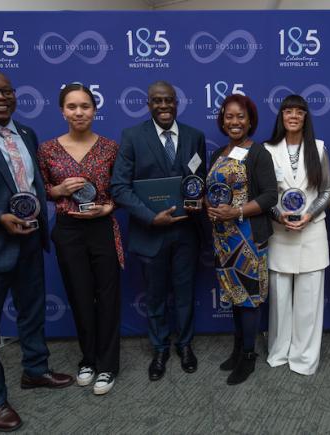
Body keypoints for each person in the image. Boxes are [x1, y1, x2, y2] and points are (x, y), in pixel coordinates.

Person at [0, 68, 73, 432]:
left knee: (32, 313)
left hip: (28, 242)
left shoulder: (26, 132)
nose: (2, 98)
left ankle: (35, 371)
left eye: (7, 91)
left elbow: (31, 185)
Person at [111, 80, 206, 381]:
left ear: (177, 102)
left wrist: (198, 200)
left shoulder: (194, 136)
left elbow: (199, 180)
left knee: (185, 294)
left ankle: (185, 345)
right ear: (148, 103)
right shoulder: (132, 137)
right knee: (154, 297)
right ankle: (160, 348)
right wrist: (151, 217)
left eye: (168, 100)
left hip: (186, 233)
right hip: (151, 231)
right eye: (157, 101)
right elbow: (119, 187)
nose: (163, 106)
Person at [37, 84, 122, 395]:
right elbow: (39, 188)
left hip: (102, 227)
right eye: (72, 106)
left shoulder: (111, 148)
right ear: (62, 110)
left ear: (94, 110)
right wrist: (58, 191)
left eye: (85, 106)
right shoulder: (47, 149)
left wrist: (109, 206)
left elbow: (121, 190)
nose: (79, 112)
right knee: (80, 295)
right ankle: (88, 359)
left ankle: (109, 365)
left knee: (108, 296)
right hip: (68, 229)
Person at [207, 94, 277, 385]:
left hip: (248, 238)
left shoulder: (259, 153)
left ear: (250, 121)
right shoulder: (218, 154)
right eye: (229, 116)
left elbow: (270, 196)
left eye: (240, 117)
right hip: (223, 240)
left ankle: (248, 356)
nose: (234, 122)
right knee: (235, 298)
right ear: (222, 120)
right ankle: (238, 350)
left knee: (249, 299)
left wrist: (235, 211)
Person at [263, 95, 330, 375]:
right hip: (280, 233)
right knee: (279, 300)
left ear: (305, 117)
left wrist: (308, 216)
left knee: (309, 301)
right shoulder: (266, 150)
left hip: (311, 231)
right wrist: (280, 216)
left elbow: (327, 191)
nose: (293, 116)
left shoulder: (319, 148)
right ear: (281, 116)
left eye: (299, 112)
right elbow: (264, 196)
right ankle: (279, 351)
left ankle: (304, 359)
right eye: (287, 111)